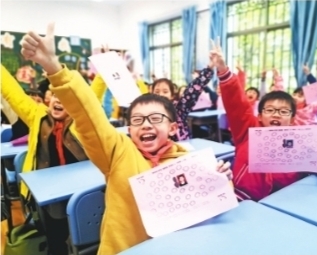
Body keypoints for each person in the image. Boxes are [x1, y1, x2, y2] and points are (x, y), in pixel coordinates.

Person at [20, 23, 233, 255]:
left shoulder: (189, 163)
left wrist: (221, 180)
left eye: (155, 118)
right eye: (138, 120)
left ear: (173, 128)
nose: (146, 124)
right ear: (129, 129)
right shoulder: (116, 152)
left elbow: (212, 210)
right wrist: (54, 69)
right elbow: (88, 114)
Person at [209, 39, 317, 201]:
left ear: (293, 118)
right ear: (259, 115)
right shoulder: (248, 131)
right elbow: (237, 104)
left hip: (285, 205)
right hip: (244, 200)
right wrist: (223, 70)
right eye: (270, 110)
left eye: (283, 111)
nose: (276, 114)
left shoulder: (299, 138)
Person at [1, 63, 88, 255]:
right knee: (56, 240)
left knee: (83, 238)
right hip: (50, 197)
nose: (58, 100)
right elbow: (11, 91)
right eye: (55, 95)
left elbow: (94, 96)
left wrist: (103, 69)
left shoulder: (82, 122)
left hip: (79, 193)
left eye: (65, 97)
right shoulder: (37, 115)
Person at [152, 64, 214, 141]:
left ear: (171, 95)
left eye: (165, 91)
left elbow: (193, 89)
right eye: (157, 91)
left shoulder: (179, 108)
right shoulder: (148, 112)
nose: (161, 94)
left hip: (182, 146)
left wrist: (209, 69)